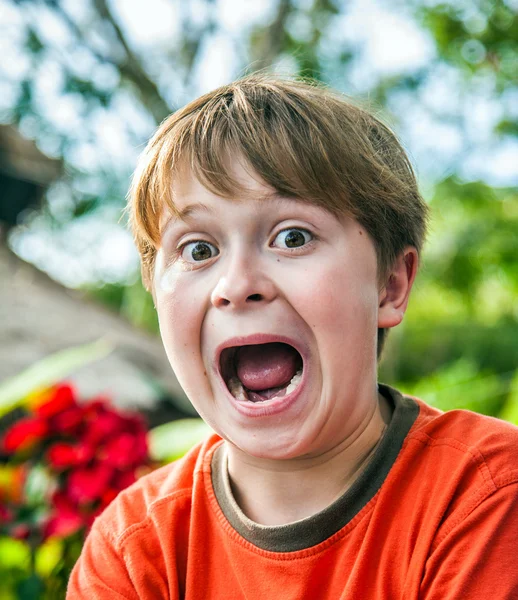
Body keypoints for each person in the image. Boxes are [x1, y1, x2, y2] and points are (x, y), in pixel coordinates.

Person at [67, 75, 518, 599]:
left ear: (390, 286)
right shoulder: (133, 548)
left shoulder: (484, 495)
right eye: (197, 250)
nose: (236, 287)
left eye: (292, 237)